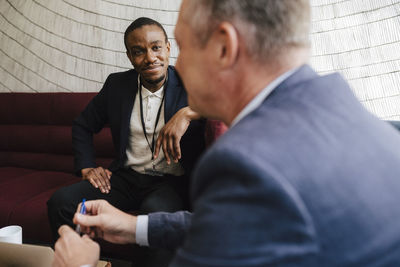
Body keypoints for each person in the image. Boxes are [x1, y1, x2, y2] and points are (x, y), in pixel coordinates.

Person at [53, 0, 400, 266]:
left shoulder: (245, 163)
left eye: (181, 46)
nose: (178, 65)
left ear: (223, 47)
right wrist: (134, 228)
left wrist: (81, 265)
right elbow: (239, 224)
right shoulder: (362, 120)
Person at [47, 17, 205, 267]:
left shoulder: (193, 83)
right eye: (138, 51)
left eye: (155, 48)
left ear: (167, 48)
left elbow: (229, 106)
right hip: (126, 177)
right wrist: (87, 166)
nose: (150, 57)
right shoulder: (117, 85)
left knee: (155, 214)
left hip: (171, 182)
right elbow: (83, 125)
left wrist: (188, 113)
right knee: (62, 203)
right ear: (130, 57)